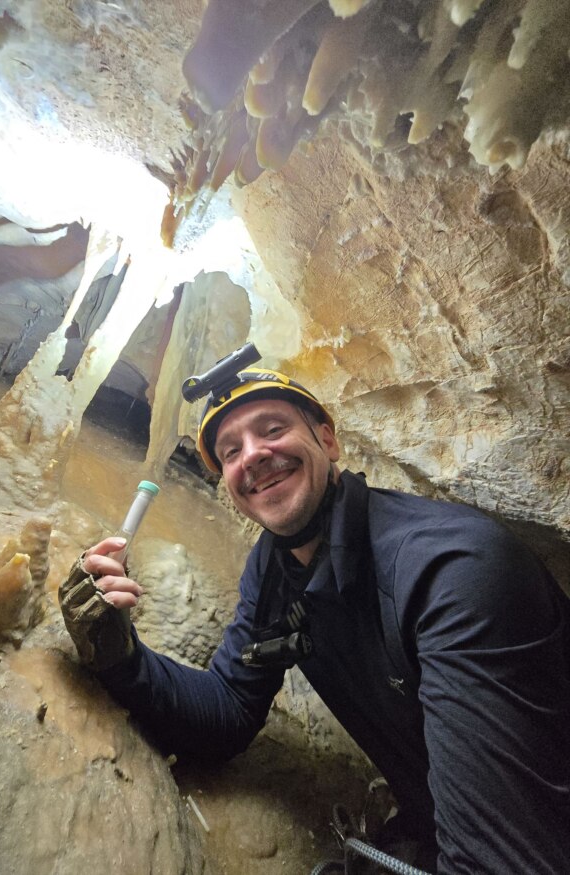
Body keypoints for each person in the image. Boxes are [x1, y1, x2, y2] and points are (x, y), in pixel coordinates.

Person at [60, 366, 570, 874]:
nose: (252, 455)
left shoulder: (451, 574)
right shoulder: (275, 567)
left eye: (272, 428)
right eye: (231, 452)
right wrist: (120, 654)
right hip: (441, 828)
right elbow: (228, 709)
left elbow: (503, 860)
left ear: (328, 441)